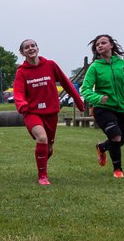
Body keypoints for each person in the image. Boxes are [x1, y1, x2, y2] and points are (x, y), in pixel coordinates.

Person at [13, 39, 84, 185]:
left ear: (38, 48)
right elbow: (18, 92)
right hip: (32, 112)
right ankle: (42, 176)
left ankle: (42, 160)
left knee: (49, 148)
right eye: (26, 47)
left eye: (33, 46)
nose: (30, 48)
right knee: (42, 139)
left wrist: (78, 100)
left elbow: (66, 83)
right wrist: (22, 105)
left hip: (51, 112)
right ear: (22, 53)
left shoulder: (50, 65)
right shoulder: (22, 72)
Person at [79, 34, 124, 179]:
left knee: (122, 139)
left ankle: (102, 147)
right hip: (103, 108)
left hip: (121, 107)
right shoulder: (95, 67)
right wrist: (98, 98)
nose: (100, 46)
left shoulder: (122, 64)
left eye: (103, 43)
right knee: (115, 136)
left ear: (111, 45)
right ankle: (118, 169)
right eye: (97, 45)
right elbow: (85, 89)